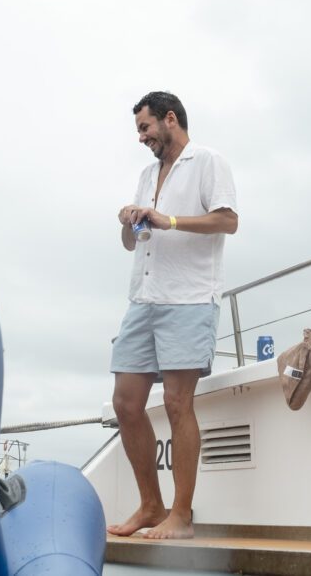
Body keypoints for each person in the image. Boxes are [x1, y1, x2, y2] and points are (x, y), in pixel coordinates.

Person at [107, 91, 238, 540]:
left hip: (189, 299)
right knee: (126, 403)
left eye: (145, 128)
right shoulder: (147, 174)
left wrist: (170, 220)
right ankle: (150, 505)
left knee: (178, 404)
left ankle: (181, 514)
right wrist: (131, 220)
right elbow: (134, 243)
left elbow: (228, 221)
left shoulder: (208, 160)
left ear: (169, 119)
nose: (141, 138)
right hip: (143, 299)